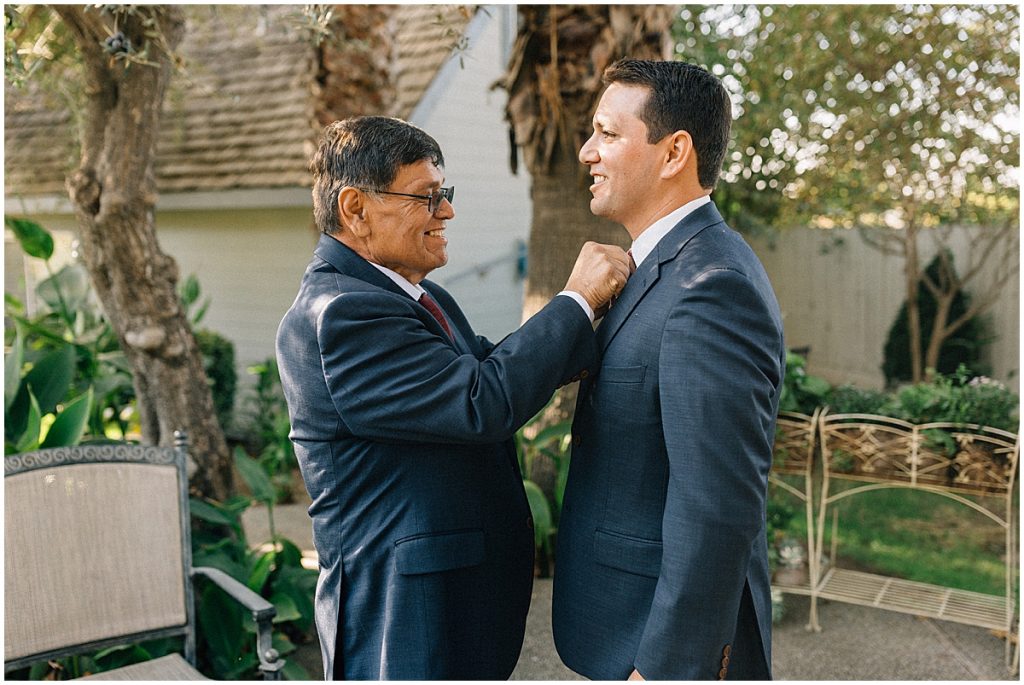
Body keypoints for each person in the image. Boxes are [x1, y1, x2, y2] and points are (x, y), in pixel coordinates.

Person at [275, 115, 630, 680]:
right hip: (405, 619)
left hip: (448, 603)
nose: (447, 211)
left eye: (445, 194)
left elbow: (493, 366)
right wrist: (577, 298)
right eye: (426, 197)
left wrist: (615, 329)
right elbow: (481, 400)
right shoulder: (340, 314)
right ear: (355, 209)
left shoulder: (416, 294)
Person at [551, 59, 786, 680]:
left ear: (674, 151)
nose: (586, 152)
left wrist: (663, 669)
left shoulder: (712, 285)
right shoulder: (656, 267)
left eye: (607, 133)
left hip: (657, 651)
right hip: (618, 626)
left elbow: (716, 506)